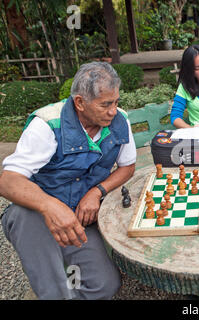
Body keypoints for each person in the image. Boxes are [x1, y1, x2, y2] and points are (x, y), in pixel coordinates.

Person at [0, 62, 136, 299]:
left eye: (115, 102)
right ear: (80, 103)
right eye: (105, 104)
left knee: (104, 285)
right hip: (36, 218)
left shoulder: (120, 120)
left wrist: (97, 191)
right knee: (55, 288)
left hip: (79, 217)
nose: (113, 110)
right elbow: (8, 181)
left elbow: (128, 167)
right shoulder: (47, 124)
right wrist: (50, 206)